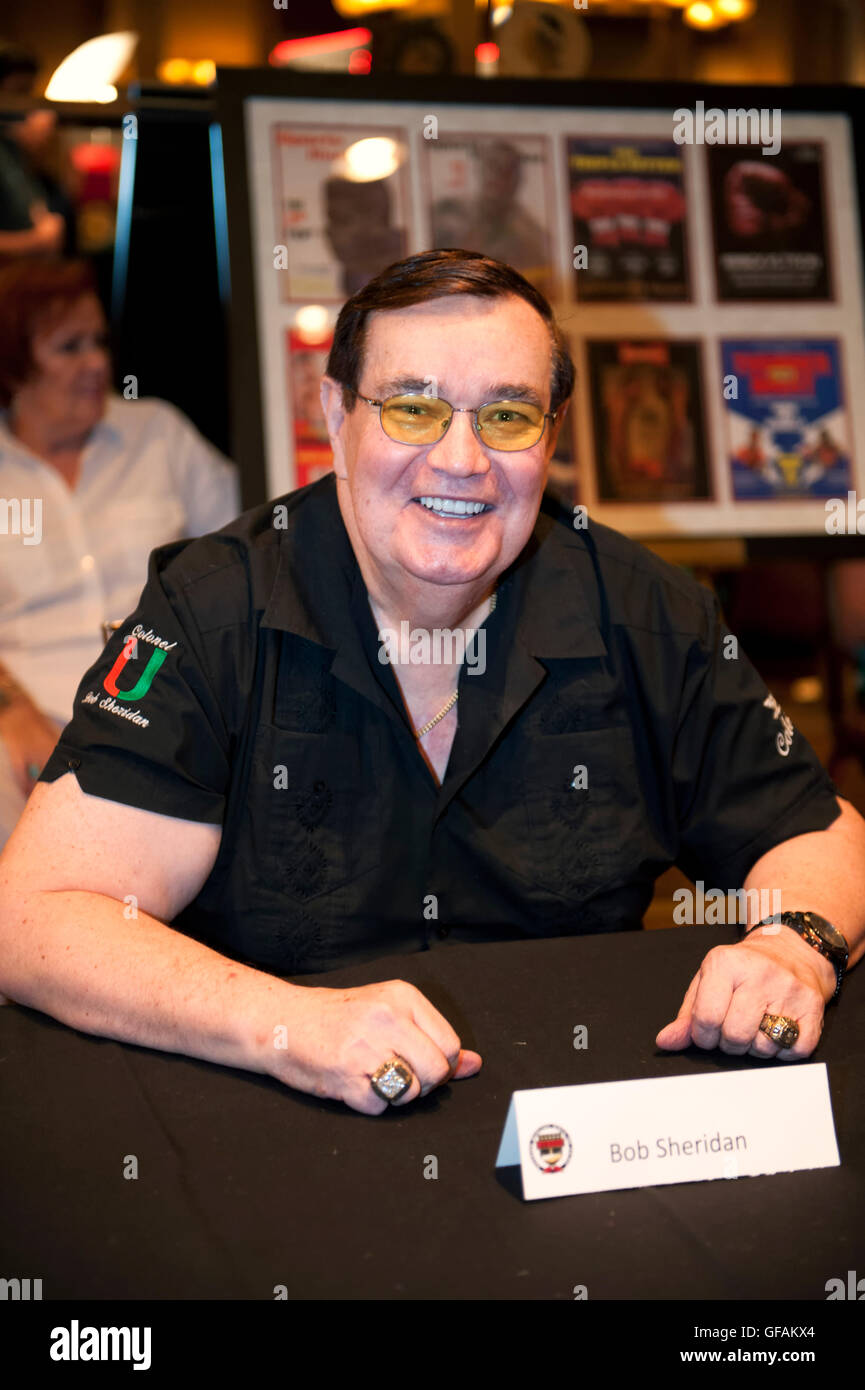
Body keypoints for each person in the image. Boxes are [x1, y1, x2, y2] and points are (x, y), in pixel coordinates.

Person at [0, 249, 862, 1118]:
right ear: (337, 416)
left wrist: (794, 947)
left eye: (508, 416)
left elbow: (821, 834)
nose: (461, 459)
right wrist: (285, 1022)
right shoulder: (211, 612)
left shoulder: (647, 613)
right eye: (412, 409)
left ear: (551, 436)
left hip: (578, 1128)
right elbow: (35, 920)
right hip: (271, 1124)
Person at [0, 257, 240, 845]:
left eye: (100, 341)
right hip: (29, 710)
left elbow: (247, 554)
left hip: (169, 698)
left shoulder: (157, 433)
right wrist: (12, 711)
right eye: (69, 347)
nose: (98, 364)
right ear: (13, 364)